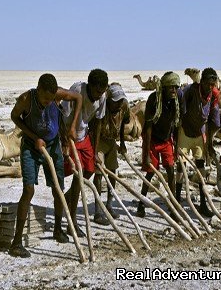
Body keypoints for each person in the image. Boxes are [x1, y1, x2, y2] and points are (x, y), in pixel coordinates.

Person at [9, 73, 82, 258]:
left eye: (52, 99)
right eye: (45, 98)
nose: (49, 102)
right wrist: (34, 137)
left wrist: (72, 126)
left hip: (52, 146)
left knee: (58, 189)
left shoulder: (57, 95)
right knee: (28, 190)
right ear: (38, 89)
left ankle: (58, 230)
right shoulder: (26, 99)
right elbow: (14, 116)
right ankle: (16, 243)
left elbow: (79, 98)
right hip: (31, 147)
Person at [61, 69, 108, 234]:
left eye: (102, 91)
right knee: (76, 174)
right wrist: (65, 140)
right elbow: (63, 113)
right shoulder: (77, 89)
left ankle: (69, 197)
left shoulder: (102, 97)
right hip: (68, 135)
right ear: (90, 86)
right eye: (96, 91)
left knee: (88, 170)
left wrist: (95, 151)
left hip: (84, 136)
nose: (98, 95)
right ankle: (71, 221)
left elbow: (98, 123)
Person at [175, 67, 221, 217]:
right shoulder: (190, 91)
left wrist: (210, 143)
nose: (209, 87)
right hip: (185, 133)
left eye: (212, 84)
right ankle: (176, 202)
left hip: (199, 134)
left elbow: (215, 120)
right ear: (201, 82)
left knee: (201, 169)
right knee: (181, 167)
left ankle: (202, 204)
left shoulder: (213, 96)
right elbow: (180, 108)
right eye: (207, 84)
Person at [136, 72, 180, 218]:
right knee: (150, 172)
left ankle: (173, 206)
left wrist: (177, 147)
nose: (173, 90)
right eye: (170, 87)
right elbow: (148, 126)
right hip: (153, 139)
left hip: (167, 140)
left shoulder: (177, 100)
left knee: (171, 171)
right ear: (164, 88)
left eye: (176, 87)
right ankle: (141, 204)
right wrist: (148, 152)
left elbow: (177, 124)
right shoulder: (154, 99)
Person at [92, 82, 130, 224]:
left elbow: (121, 126)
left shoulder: (123, 106)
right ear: (109, 100)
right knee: (99, 173)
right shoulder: (102, 108)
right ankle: (97, 209)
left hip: (112, 141)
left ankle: (109, 203)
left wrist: (122, 143)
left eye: (120, 100)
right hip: (100, 141)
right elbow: (96, 129)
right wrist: (95, 152)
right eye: (116, 101)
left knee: (113, 172)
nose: (119, 104)